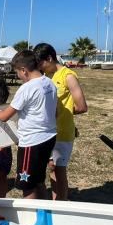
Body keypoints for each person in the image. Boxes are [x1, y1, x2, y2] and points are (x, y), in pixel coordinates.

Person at [0, 50, 57, 199]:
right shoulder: (50, 83)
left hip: (32, 142)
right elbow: (54, 111)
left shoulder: (26, 88)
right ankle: (44, 213)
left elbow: (4, 116)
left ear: (24, 70)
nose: (18, 76)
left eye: (17, 72)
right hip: (49, 138)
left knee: (27, 186)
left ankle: (31, 217)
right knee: (38, 179)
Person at [33, 43, 88, 201]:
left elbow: (82, 106)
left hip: (62, 132)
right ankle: (55, 202)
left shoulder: (68, 76)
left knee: (58, 169)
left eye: (41, 64)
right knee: (52, 168)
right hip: (48, 132)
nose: (40, 68)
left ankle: (61, 204)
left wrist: (62, 113)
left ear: (49, 58)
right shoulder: (47, 77)